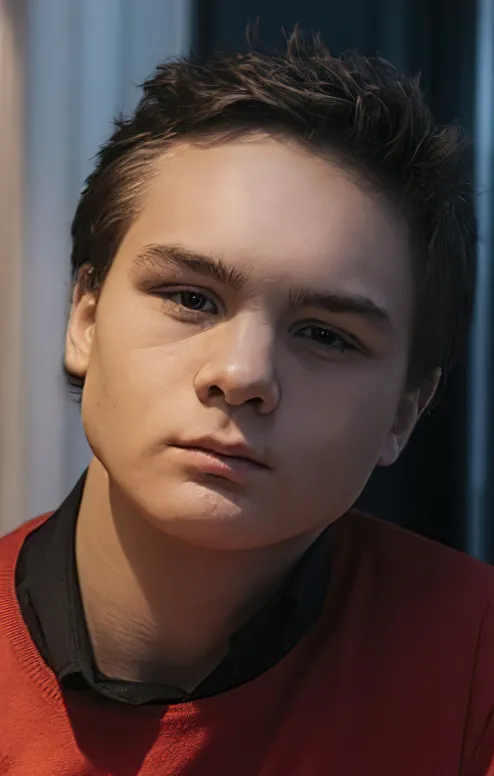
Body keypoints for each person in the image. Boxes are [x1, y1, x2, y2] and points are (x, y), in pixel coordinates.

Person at [1, 29, 493, 776]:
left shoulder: (473, 668)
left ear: (405, 411)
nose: (240, 374)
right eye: (191, 298)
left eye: (325, 336)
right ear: (86, 320)